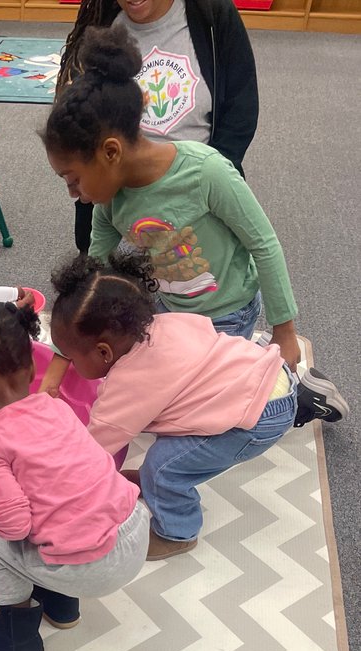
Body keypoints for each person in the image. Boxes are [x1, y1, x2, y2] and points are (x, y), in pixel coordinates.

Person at [39, 25, 348, 430]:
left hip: (227, 311)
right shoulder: (110, 201)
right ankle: (254, 365)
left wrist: (284, 332)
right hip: (169, 309)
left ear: (110, 152)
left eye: (73, 178)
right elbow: (91, 282)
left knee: (213, 415)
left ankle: (297, 393)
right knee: (149, 394)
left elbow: (264, 244)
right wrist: (59, 363)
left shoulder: (205, 172)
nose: (73, 193)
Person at [0, 302, 148, 651]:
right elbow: (69, 479)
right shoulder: (57, 407)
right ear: (33, 368)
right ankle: (62, 607)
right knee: (60, 508)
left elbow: (13, 528)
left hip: (92, 567)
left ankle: (20, 637)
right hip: (135, 529)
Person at [50, 250, 299, 559]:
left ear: (104, 352)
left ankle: (177, 532)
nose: (69, 365)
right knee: (176, 430)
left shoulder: (130, 383)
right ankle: (156, 485)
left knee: (164, 467)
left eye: (71, 357)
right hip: (270, 375)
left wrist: (49, 472)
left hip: (257, 416)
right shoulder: (163, 324)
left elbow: (93, 449)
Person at [54, 0, 259, 256]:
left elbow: (242, 108)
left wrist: (205, 184)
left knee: (203, 282)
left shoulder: (211, 13)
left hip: (197, 193)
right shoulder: (102, 22)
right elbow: (75, 120)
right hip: (119, 200)